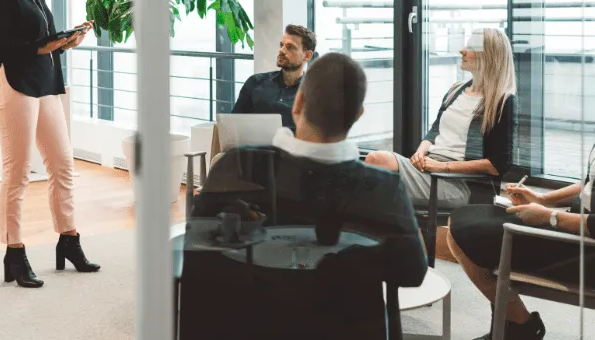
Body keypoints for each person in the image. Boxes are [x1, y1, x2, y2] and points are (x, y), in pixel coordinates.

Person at [194, 52, 428, 287]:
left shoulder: (235, 166)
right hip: (347, 321)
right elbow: (413, 272)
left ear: (297, 103)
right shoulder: (385, 188)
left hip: (254, 318)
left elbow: (197, 258)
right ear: (358, 116)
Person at [0, 0, 100, 289]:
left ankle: (69, 241)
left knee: (62, 164)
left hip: (45, 81)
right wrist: (46, 44)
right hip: (14, 82)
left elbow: (41, 39)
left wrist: (64, 42)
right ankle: (14, 252)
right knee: (18, 173)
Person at [448, 151, 595, 340]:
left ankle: (519, 327)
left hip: (585, 247)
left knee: (468, 233)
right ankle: (515, 327)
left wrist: (550, 216)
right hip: (577, 225)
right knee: (469, 220)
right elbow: (590, 183)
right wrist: (543, 200)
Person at [366, 27, 517, 209]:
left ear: (488, 56)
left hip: (459, 183)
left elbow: (497, 164)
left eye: (469, 47)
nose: (462, 50)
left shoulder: (503, 101)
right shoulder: (456, 90)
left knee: (376, 174)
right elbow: (435, 131)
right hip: (429, 168)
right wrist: (420, 153)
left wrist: (442, 166)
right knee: (375, 163)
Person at [231, 24, 316, 132]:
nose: (282, 51)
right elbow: (232, 124)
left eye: (290, 47)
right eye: (281, 45)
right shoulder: (255, 82)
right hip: (251, 147)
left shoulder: (312, 94)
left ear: (307, 55)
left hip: (290, 148)